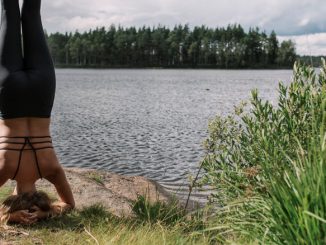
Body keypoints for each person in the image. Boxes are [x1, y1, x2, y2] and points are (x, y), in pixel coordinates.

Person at [0, 0, 75, 224]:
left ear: (42, 199)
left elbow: (69, 205)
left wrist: (46, 212)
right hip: (10, 93)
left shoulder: (49, 167)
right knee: (8, 12)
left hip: (41, 94)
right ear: (12, 196)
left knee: (32, 12)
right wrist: (8, 216)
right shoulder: (5, 167)